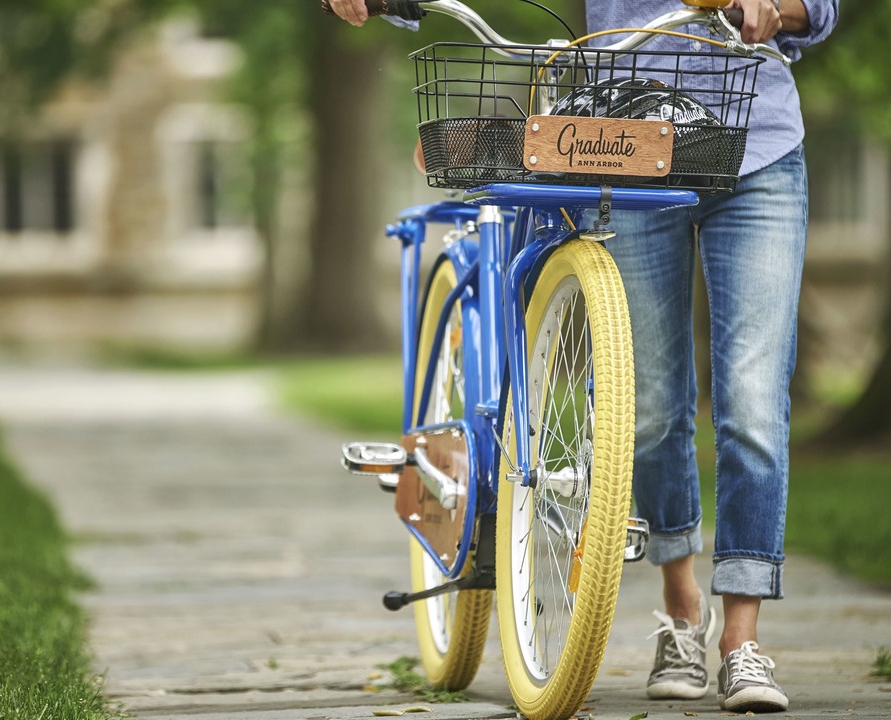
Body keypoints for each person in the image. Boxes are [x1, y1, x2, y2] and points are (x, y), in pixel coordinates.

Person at [330, 0, 837, 713]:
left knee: (753, 401)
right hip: (625, 140)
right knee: (654, 406)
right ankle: (682, 613)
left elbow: (820, 9)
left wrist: (778, 8)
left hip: (758, 142)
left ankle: (742, 641)